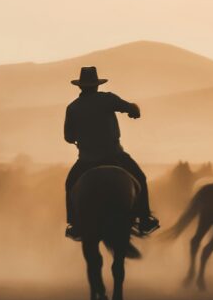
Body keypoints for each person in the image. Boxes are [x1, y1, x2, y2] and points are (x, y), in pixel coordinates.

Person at [63, 66, 159, 240]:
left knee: (70, 184)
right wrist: (134, 110)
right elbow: (131, 109)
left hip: (86, 159)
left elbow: (68, 137)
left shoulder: (73, 108)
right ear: (97, 85)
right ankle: (145, 218)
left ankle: (74, 223)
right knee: (140, 178)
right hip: (115, 155)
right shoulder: (108, 99)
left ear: (80, 86)